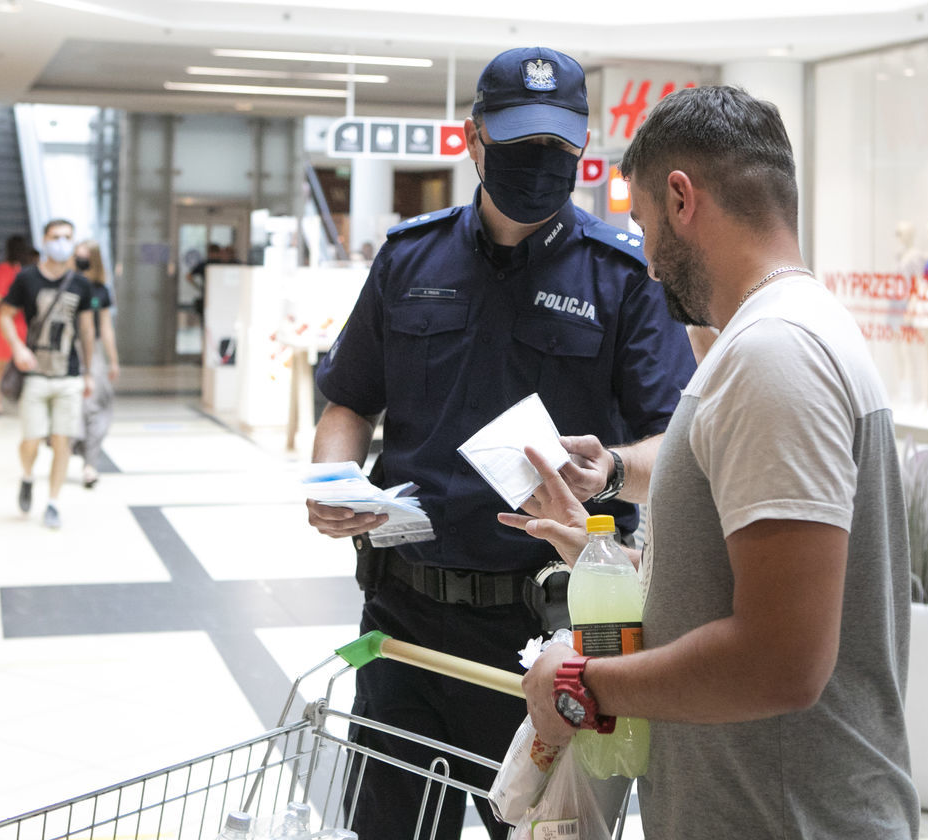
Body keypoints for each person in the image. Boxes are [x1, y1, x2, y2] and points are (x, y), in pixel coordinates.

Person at [507, 85, 920, 839]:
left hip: (785, 817)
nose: (653, 269)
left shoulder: (774, 355)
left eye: (644, 229)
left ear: (681, 198)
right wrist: (601, 557)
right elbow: (745, 583)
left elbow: (780, 658)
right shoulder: (782, 335)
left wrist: (581, 683)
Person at [305, 46, 696, 840]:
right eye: (521, 145)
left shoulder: (622, 280)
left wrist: (615, 471)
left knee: (543, 833)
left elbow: (677, 449)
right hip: (403, 622)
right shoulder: (408, 260)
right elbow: (350, 398)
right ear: (473, 140)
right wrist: (333, 478)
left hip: (549, 633)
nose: (542, 164)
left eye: (559, 147)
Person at [0, 218, 95, 530]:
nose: (62, 242)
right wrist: (17, 347)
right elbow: (4, 314)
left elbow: (87, 330)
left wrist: (90, 373)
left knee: (62, 441)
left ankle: (52, 502)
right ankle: (27, 476)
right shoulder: (27, 279)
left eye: (67, 237)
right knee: (31, 440)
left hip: (69, 375)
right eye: (56, 236)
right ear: (44, 239)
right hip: (35, 374)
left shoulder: (81, 284)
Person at [72, 239, 119, 488]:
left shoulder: (101, 290)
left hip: (94, 352)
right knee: (75, 407)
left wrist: (114, 360)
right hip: (68, 351)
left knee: (94, 407)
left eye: (85, 257)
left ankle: (90, 463)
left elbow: (105, 328)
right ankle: (70, 446)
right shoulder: (67, 284)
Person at [0, 234, 33, 414]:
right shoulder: (28, 270)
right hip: (23, 325)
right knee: (25, 368)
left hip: (3, 327)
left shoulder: (4, 269)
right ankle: (25, 405)